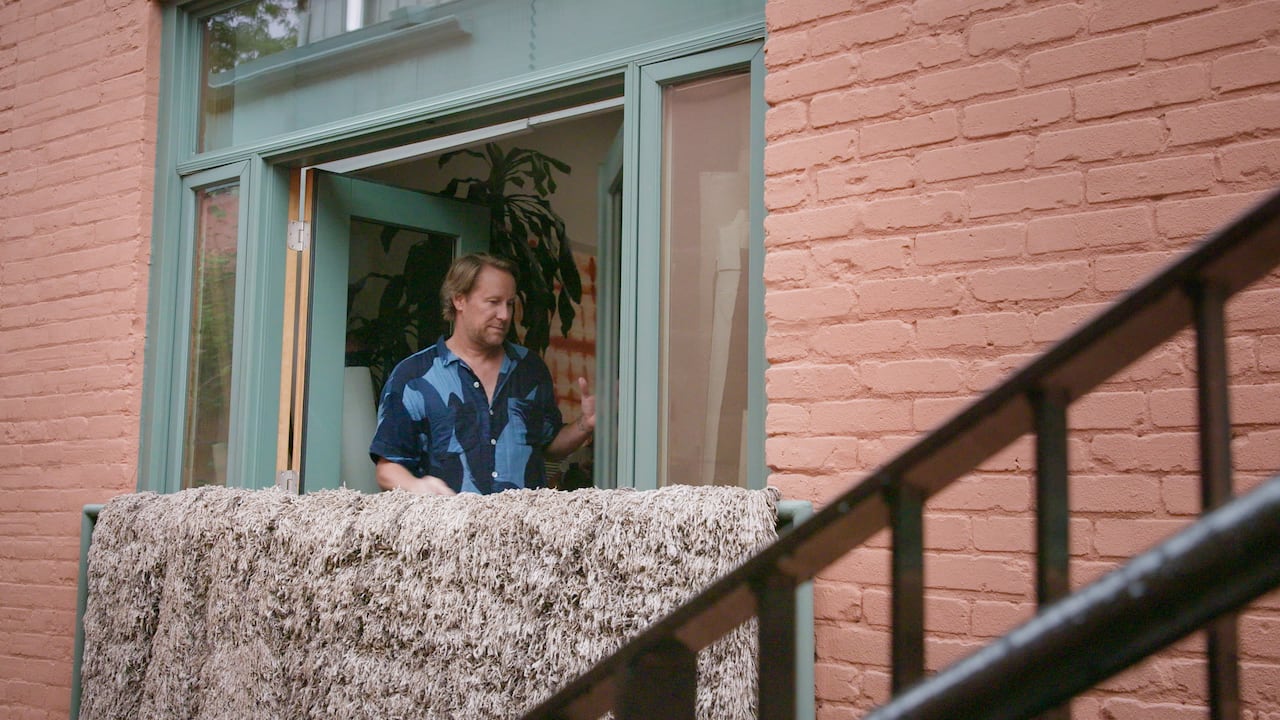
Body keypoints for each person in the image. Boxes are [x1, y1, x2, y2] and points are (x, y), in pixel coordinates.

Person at [369, 253, 595, 495]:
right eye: (493, 302)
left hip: (522, 530)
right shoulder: (414, 375)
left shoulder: (530, 368)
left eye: (509, 303)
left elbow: (549, 445)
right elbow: (387, 467)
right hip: (448, 529)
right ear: (459, 299)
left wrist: (584, 424)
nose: (505, 315)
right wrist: (417, 486)